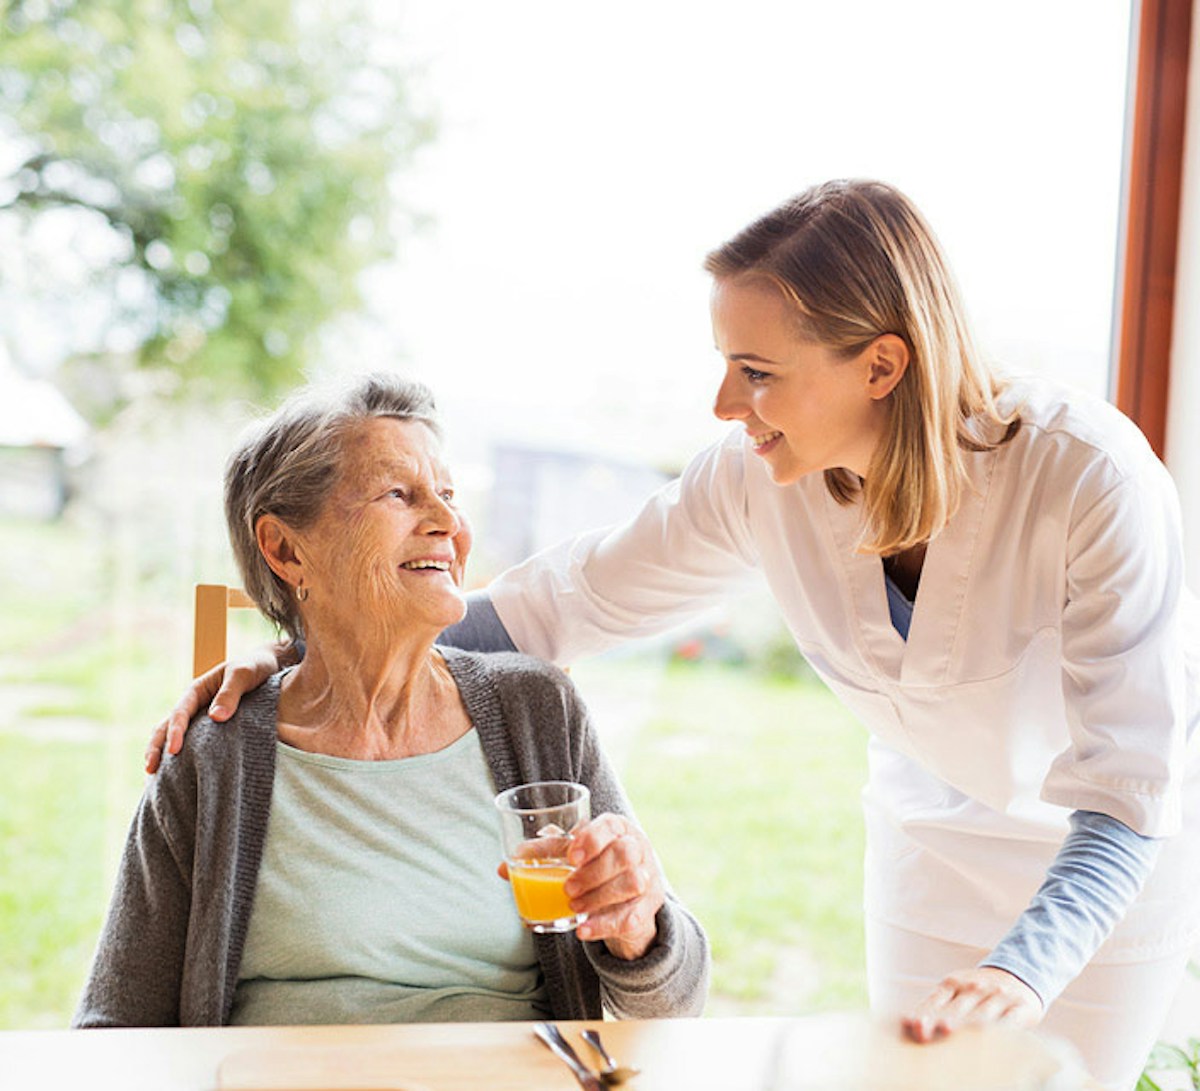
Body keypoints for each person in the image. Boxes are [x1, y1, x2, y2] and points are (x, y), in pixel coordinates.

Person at [145, 181, 1200, 1090]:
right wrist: (301, 654)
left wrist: (1022, 968)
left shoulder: (1090, 480)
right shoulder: (760, 476)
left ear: (881, 366)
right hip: (935, 838)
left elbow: (1124, 786)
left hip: (1101, 861)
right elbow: (551, 606)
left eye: (758, 369)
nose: (724, 400)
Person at [76, 373, 708, 1028]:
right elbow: (112, 1026)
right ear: (286, 549)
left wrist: (638, 925)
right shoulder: (216, 750)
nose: (447, 523)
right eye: (399, 494)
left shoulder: (538, 711)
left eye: (449, 494)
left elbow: (674, 1001)